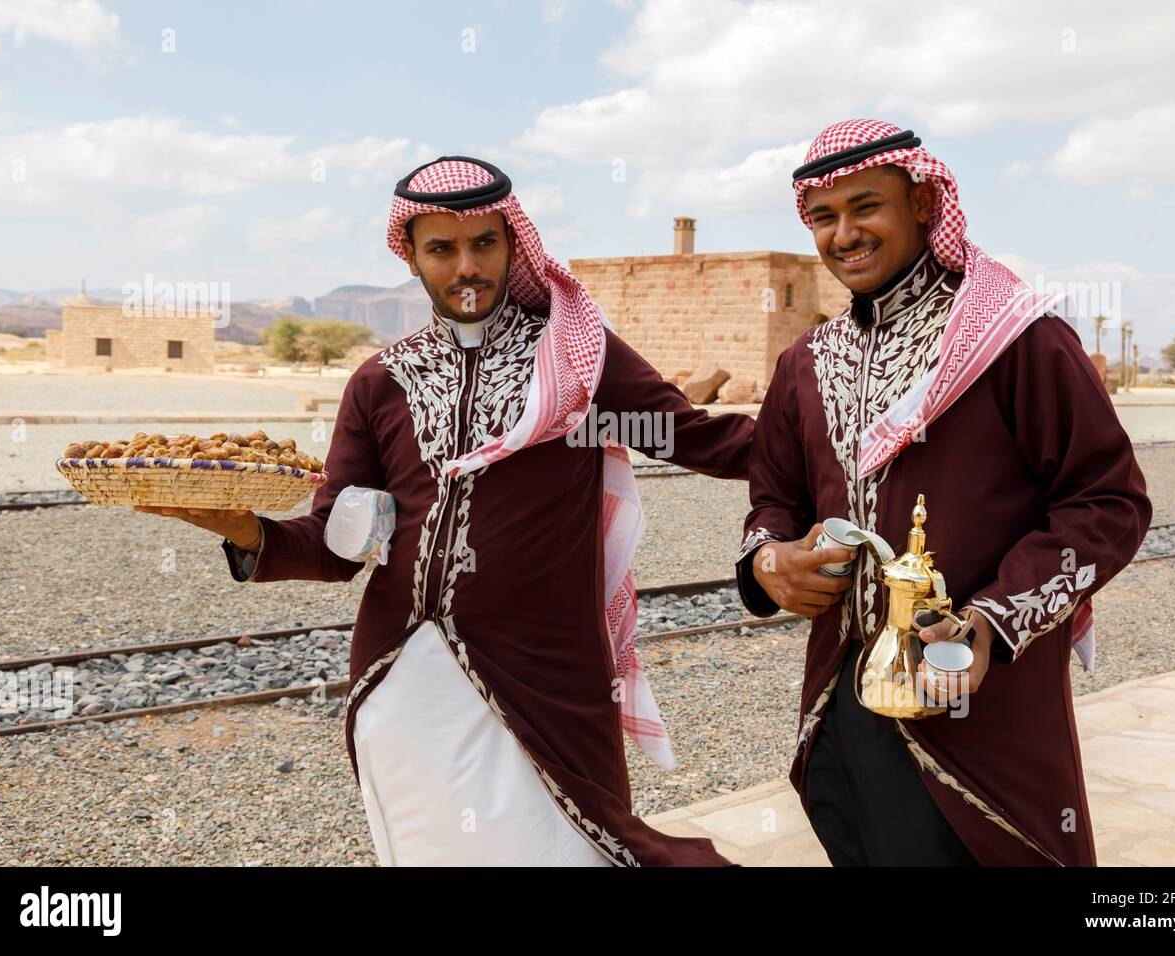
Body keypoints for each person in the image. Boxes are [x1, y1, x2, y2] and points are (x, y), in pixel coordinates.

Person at [140, 155, 753, 866]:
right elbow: (339, 545)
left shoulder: (576, 364)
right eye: (441, 249)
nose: (466, 266)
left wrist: (838, 443)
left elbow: (699, 437)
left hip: (545, 681)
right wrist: (247, 533)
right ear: (410, 257)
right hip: (402, 676)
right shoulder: (379, 383)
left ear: (512, 243)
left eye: (483, 244)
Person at [736, 120, 1152, 866]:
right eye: (823, 217)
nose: (844, 234)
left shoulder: (1015, 340)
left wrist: (990, 623)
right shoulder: (805, 362)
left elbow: (1106, 502)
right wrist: (767, 562)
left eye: (866, 207)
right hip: (842, 698)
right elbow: (773, 499)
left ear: (925, 202)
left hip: (978, 705)